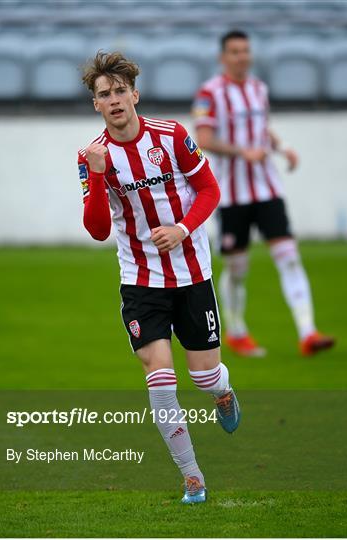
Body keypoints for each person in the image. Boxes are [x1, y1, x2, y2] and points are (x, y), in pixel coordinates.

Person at [78, 51, 241, 504]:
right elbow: (96, 229)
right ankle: (192, 476)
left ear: (135, 94)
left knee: (205, 377)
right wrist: (95, 177)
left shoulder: (172, 137)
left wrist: (183, 229)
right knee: (160, 377)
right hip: (140, 280)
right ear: (96, 104)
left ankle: (223, 392)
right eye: (103, 94)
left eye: (119, 91)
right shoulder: (91, 156)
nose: (113, 101)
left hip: (192, 274)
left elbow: (209, 189)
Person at [193, 30, 335, 357]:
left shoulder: (259, 89)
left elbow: (262, 129)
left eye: (245, 51)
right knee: (238, 268)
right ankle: (237, 331)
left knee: (289, 256)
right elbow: (203, 138)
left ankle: (308, 332)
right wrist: (242, 152)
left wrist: (282, 147)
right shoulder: (210, 93)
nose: (242, 56)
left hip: (267, 188)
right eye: (235, 51)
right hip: (230, 194)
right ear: (222, 57)